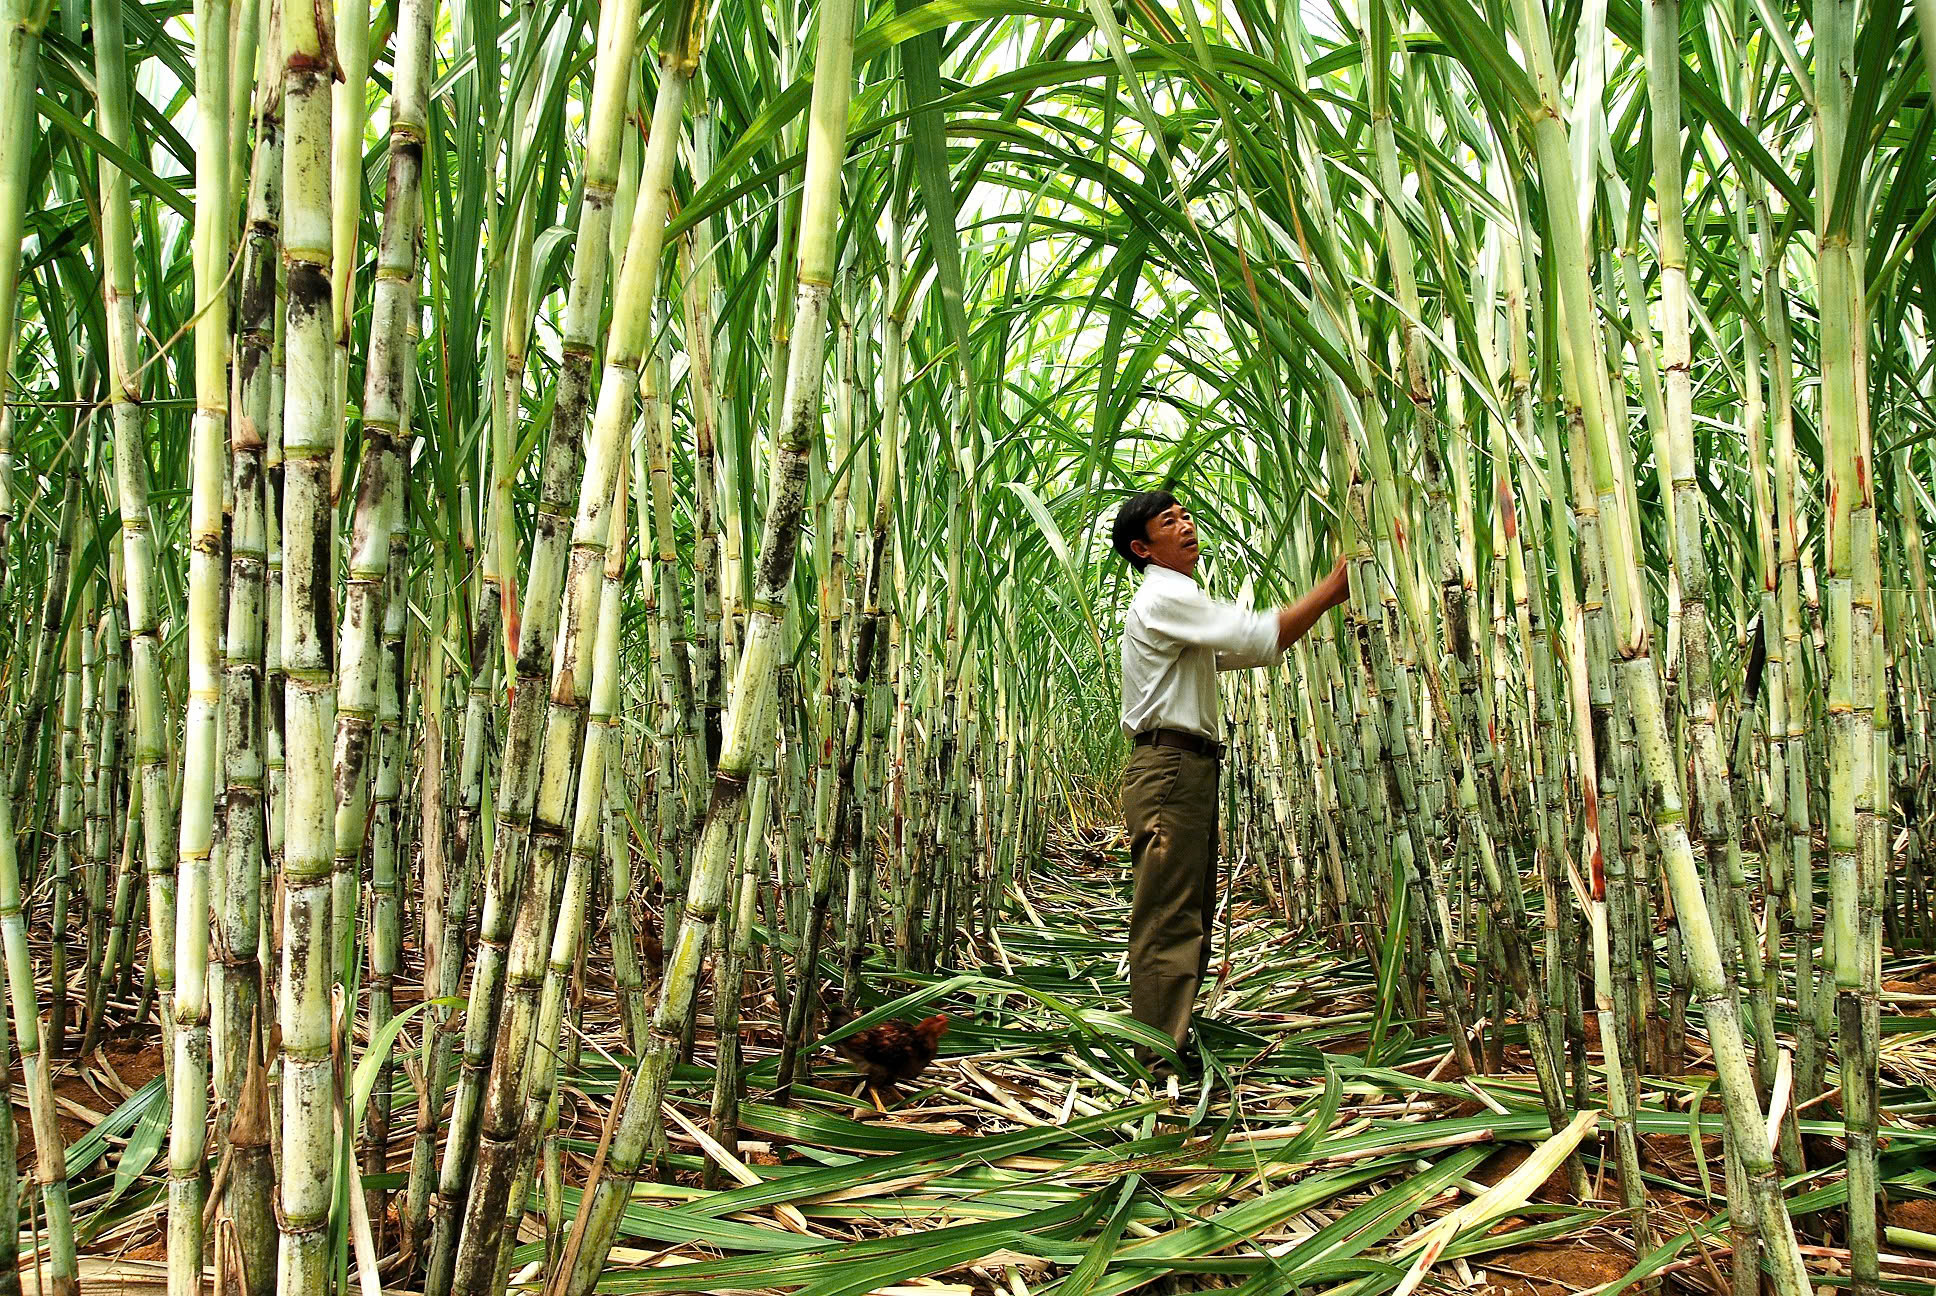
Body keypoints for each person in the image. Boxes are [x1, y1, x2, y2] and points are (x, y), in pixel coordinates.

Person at [1111, 490, 1349, 1066]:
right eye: (1169, 522)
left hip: (1182, 766)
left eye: (1186, 515)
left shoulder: (1176, 603)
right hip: (1170, 768)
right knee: (1169, 909)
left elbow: (1249, 649)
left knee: (1185, 906)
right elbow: (1254, 636)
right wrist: (1335, 587)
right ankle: (1156, 1055)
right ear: (1143, 549)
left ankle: (1171, 1034)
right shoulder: (1166, 595)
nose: (1186, 526)